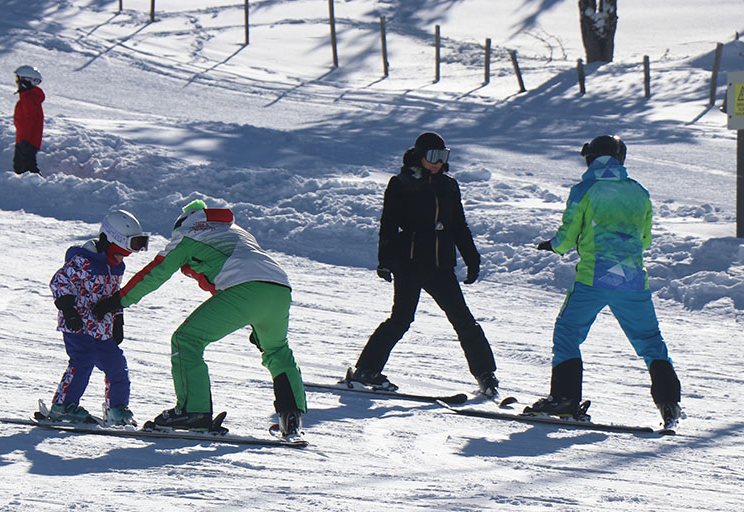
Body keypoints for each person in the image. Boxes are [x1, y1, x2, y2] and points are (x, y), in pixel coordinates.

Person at [92, 200, 307, 438]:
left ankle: (193, 411)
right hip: (280, 289)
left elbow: (156, 272)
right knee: (277, 351)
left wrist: (118, 301)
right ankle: (291, 418)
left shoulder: (189, 234)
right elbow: (235, 272)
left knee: (187, 339)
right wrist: (257, 324)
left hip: (246, 289)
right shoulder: (235, 231)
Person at [525, 135, 682, 430]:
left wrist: (554, 246)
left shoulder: (585, 189)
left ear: (590, 159)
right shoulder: (639, 192)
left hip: (595, 278)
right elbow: (645, 238)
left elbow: (569, 233)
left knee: (568, 332)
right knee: (650, 341)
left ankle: (564, 399)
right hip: (633, 279)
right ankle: (669, 402)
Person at [345, 132, 500, 398]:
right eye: (432, 156)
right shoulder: (401, 183)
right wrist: (385, 259)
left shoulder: (449, 186)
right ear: (419, 155)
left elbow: (459, 226)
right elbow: (388, 225)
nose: (438, 162)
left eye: (443, 157)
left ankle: (485, 374)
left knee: (463, 319)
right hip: (409, 262)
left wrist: (471, 258)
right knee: (401, 318)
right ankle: (366, 370)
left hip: (440, 264)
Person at [39, 210, 149, 425]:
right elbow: (59, 282)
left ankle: (116, 409)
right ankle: (62, 407)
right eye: (122, 252)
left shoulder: (117, 266)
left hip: (102, 328)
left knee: (117, 365)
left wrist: (118, 320)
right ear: (111, 240)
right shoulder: (83, 261)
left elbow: (113, 295)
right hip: (77, 325)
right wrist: (68, 310)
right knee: (82, 361)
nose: (124, 258)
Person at [12, 65, 44, 175]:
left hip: (27, 141)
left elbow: (30, 120)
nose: (17, 82)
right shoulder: (28, 98)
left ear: (26, 81)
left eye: (18, 79)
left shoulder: (29, 99)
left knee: (25, 168)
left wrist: (24, 141)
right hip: (25, 140)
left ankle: (38, 188)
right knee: (22, 167)